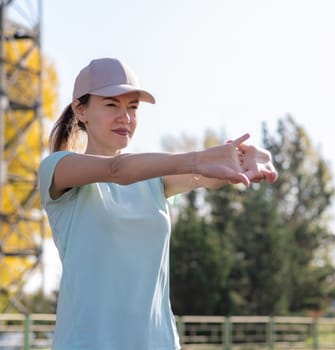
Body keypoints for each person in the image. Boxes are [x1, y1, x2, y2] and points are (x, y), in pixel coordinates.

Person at [38, 57, 278, 350]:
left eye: (133, 108)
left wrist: (240, 161)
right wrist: (200, 159)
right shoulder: (59, 168)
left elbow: (206, 178)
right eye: (112, 105)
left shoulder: (154, 180)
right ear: (81, 109)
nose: (125, 117)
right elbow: (117, 171)